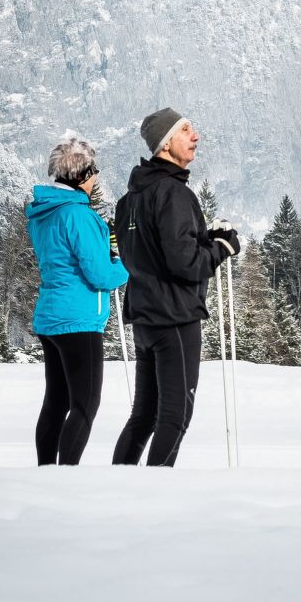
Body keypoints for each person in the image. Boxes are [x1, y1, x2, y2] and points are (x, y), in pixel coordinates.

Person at [112, 108, 239, 468]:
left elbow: (152, 252)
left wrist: (204, 239)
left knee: (145, 415)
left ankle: (115, 487)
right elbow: (185, 263)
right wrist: (223, 246)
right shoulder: (174, 194)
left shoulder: (129, 201)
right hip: (175, 318)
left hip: (145, 317)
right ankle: (154, 493)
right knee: (175, 414)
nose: (195, 136)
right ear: (166, 144)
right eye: (185, 130)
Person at [26, 136, 128, 466]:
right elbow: (100, 275)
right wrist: (123, 264)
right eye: (94, 170)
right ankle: (66, 476)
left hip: (51, 317)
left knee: (56, 402)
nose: (96, 177)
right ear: (82, 175)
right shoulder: (79, 216)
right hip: (79, 320)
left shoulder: (45, 213)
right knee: (85, 404)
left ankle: (45, 471)